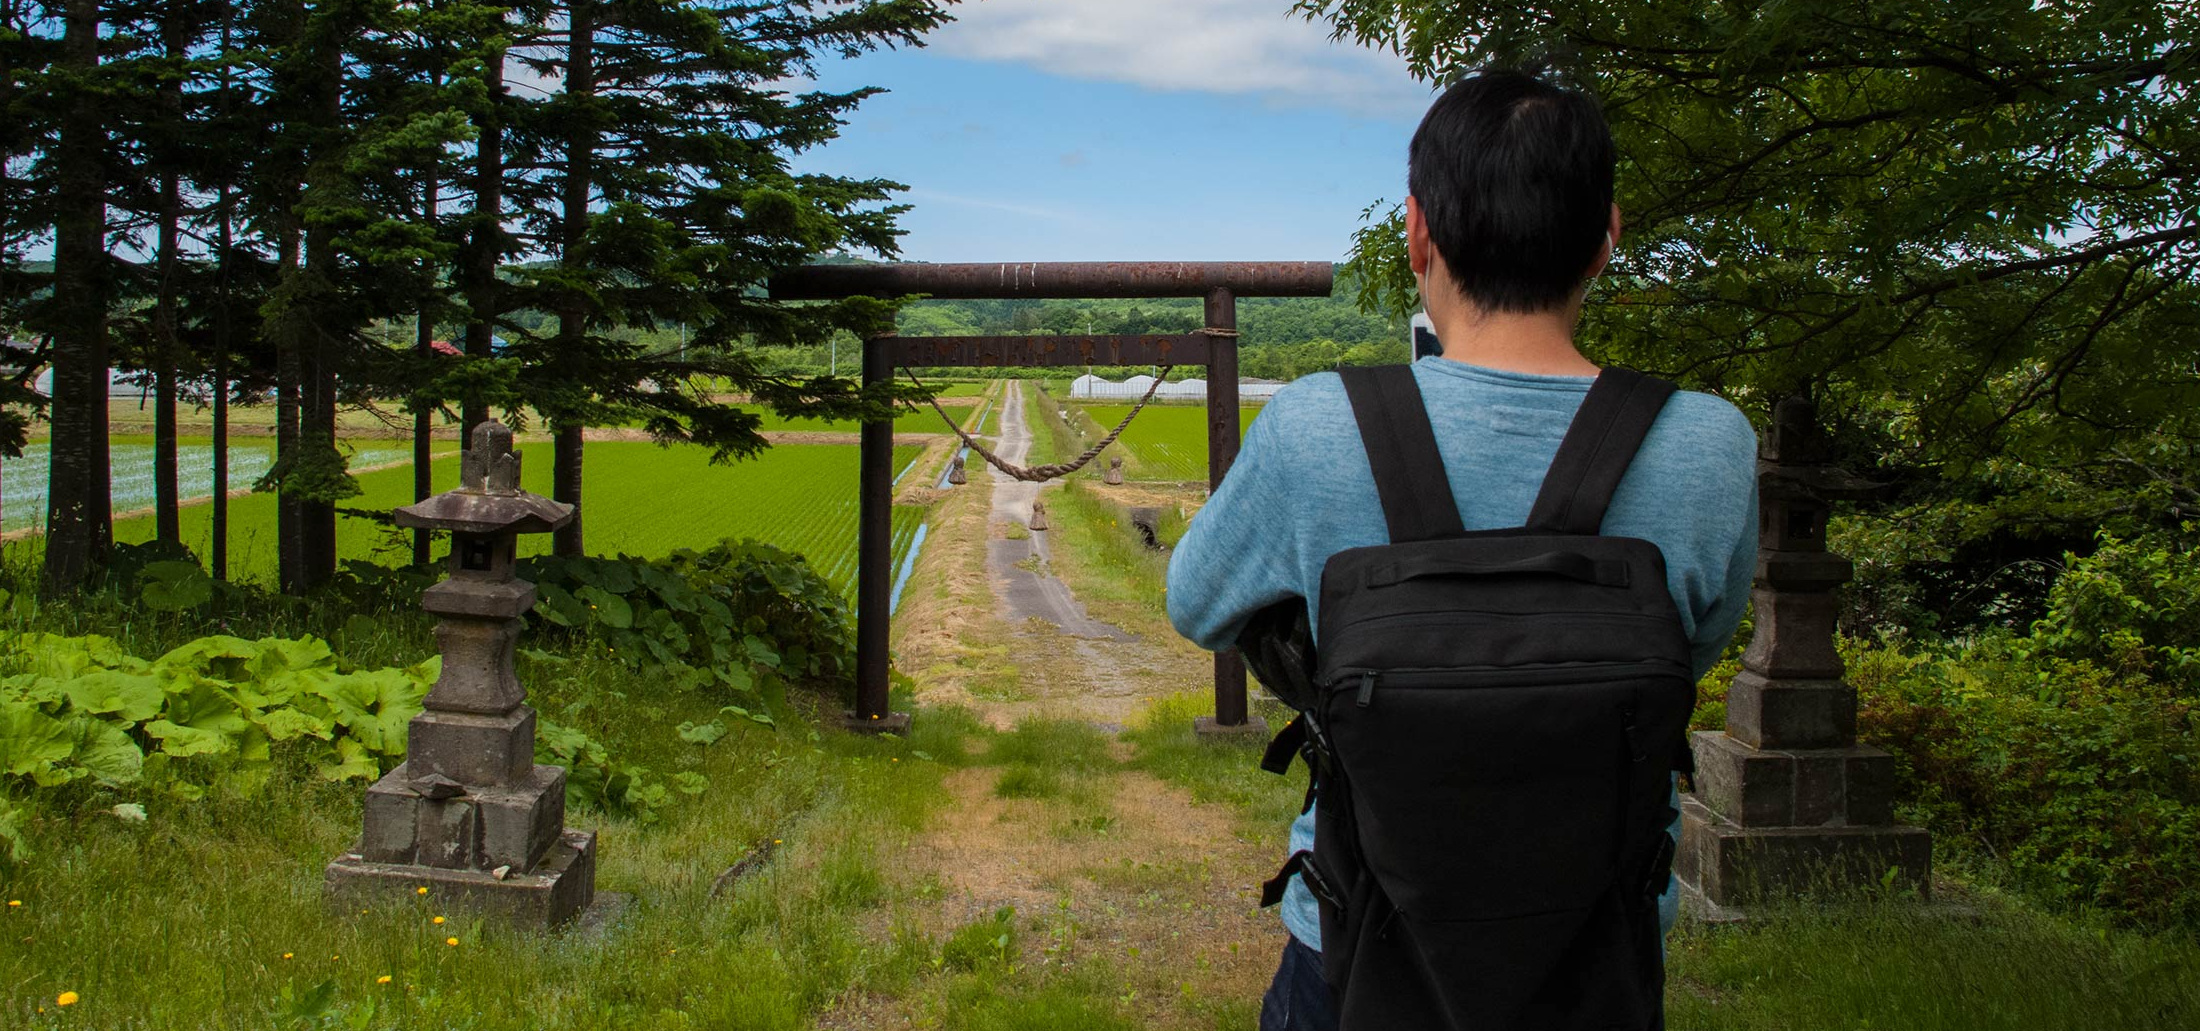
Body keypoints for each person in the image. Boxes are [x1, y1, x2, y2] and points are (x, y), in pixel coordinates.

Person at [1165, 67, 1759, 1030]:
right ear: (1609, 237)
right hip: (1600, 955)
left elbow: (1195, 602)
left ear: (1417, 233)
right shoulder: (1709, 444)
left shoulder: (1320, 426)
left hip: (1357, 945)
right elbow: (1689, 649)